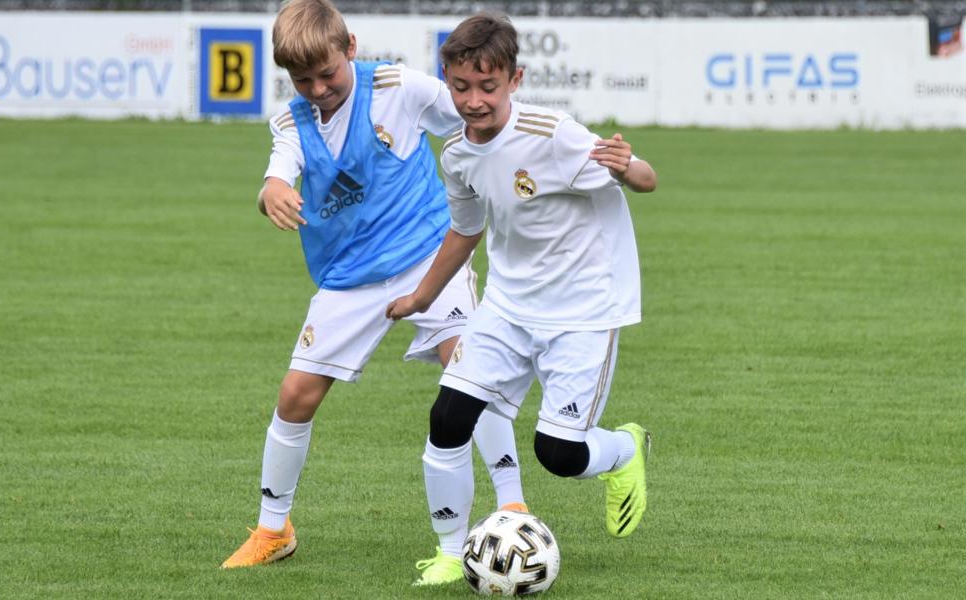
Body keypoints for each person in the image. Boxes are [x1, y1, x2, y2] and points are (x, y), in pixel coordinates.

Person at [221, 0, 528, 571]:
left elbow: (477, 116)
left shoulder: (397, 87)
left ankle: (514, 507)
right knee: (295, 397)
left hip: (428, 255)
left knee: (468, 372)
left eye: (328, 73)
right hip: (348, 278)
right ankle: (272, 530)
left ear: (351, 49)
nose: (317, 88)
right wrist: (271, 193)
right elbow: (277, 171)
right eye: (301, 79)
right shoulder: (290, 121)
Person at [385, 12, 658, 585]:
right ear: (447, 80)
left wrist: (628, 166)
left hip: (582, 312)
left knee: (558, 454)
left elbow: (645, 178)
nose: (474, 100)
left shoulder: (551, 134)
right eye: (461, 87)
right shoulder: (456, 153)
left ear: (515, 78)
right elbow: (465, 230)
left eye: (488, 86)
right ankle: (450, 552)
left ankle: (624, 452)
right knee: (448, 417)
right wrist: (421, 296)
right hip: (507, 308)